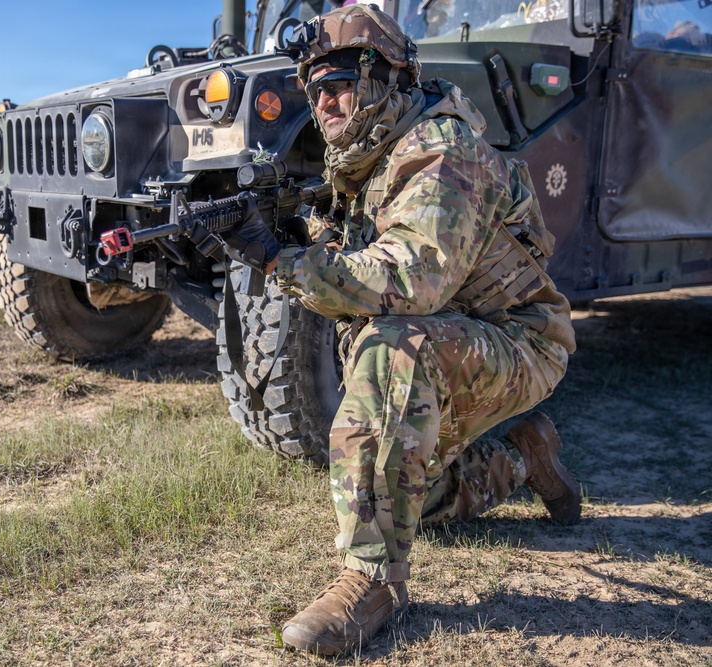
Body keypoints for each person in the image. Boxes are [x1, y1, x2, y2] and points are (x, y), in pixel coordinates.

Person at [222, 3, 581, 657]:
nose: (324, 100)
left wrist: (285, 261)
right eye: (314, 88)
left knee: (391, 351)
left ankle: (372, 582)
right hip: (460, 334)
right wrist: (293, 232)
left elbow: (410, 278)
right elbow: (352, 267)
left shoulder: (443, 150)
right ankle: (523, 458)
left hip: (521, 339)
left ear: (387, 78)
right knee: (410, 488)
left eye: (339, 82)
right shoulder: (368, 163)